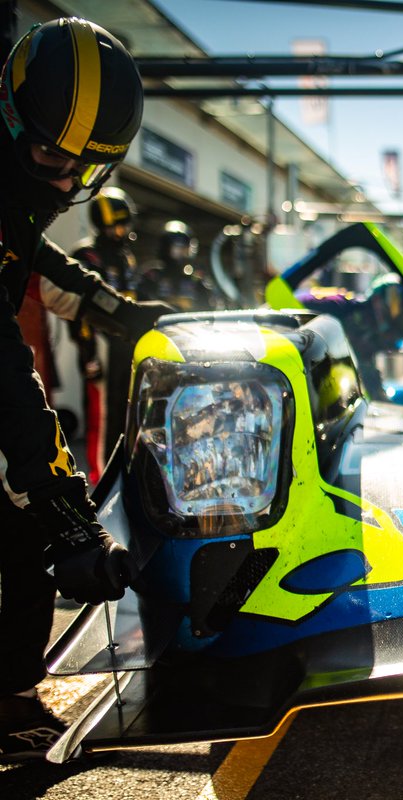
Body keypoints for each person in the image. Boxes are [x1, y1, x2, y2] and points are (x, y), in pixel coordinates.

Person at [0, 18, 173, 760]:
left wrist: (119, 314)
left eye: (86, 168)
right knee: (25, 527)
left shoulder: (17, 185)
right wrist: (64, 505)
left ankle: (7, 694)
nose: (65, 182)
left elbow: (28, 253)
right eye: (50, 155)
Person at [69, 187, 141, 484]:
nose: (123, 231)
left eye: (125, 224)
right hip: (99, 348)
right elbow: (80, 310)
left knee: (124, 416)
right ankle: (99, 481)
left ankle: (121, 475)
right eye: (117, 225)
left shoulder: (127, 258)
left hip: (127, 348)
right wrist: (87, 354)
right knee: (101, 417)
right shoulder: (86, 255)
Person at [301, 275, 403, 401]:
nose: (390, 346)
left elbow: (378, 400)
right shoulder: (336, 307)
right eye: (394, 335)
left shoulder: (366, 362)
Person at [137, 220, 220, 312]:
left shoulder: (195, 280)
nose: (181, 253)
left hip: (188, 325)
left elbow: (208, 310)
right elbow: (141, 306)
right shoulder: (152, 276)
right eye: (176, 247)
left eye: (184, 248)